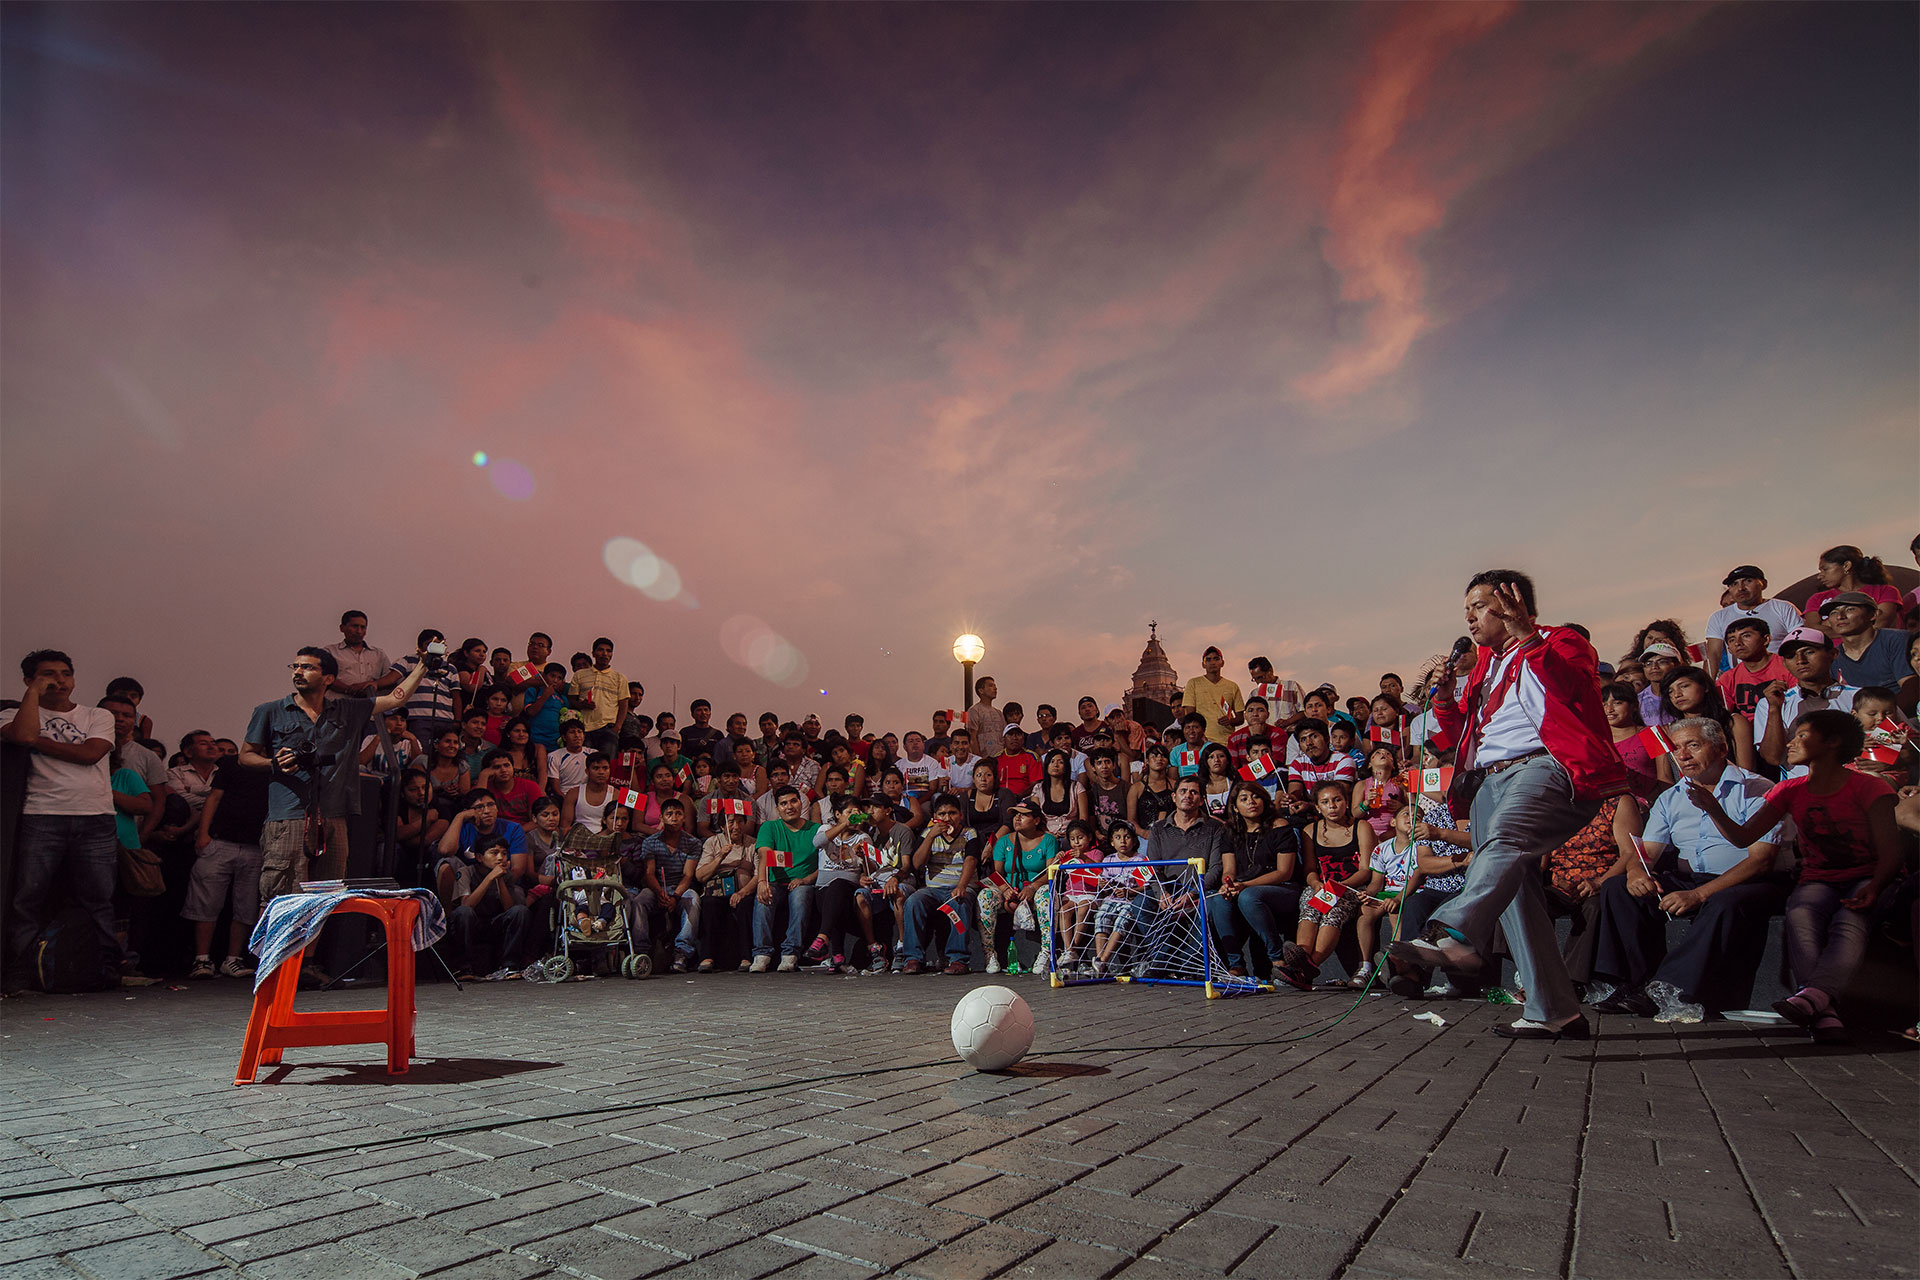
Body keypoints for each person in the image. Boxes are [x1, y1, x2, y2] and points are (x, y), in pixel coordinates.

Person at [1390, 570, 1627, 1041]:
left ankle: (1456, 935)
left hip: (1546, 766)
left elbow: (1574, 692)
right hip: (1490, 780)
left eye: (1478, 607)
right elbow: (1462, 731)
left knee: (1505, 841)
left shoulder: (1563, 642)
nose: (1470, 619)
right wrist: (1443, 696)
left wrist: (1526, 636)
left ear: (1511, 601)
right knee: (1515, 896)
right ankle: (1555, 1011)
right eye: (1466, 611)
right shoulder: (1484, 664)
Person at [1686, 709, 1900, 1045]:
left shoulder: (1870, 788)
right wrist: (1712, 807)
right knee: (1801, 913)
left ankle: (1813, 997)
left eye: (1802, 735)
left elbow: (1891, 852)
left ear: (1832, 743)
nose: (1791, 742)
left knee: (1850, 919)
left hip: (1870, 877)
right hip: (1818, 878)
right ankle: (1823, 1010)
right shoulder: (1790, 789)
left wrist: (1875, 887)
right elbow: (1743, 838)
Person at [1586, 719, 1785, 1022]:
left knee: (1722, 902)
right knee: (1619, 888)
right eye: (1676, 748)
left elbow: (1761, 860)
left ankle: (1670, 988)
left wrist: (1698, 894)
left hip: (1746, 880)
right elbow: (1647, 854)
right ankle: (1630, 984)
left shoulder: (1757, 789)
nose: (1683, 755)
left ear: (1721, 749)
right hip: (1691, 878)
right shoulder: (1671, 797)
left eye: (1693, 745)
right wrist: (1638, 873)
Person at [243, 646, 426, 905]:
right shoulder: (270, 711)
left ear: (328, 678)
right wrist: (273, 762)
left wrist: (423, 666)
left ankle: (311, 948)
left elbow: (396, 698)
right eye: (295, 666)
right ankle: (276, 948)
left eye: (307, 667)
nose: (298, 671)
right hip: (289, 817)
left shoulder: (347, 710)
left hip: (333, 816)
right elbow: (246, 755)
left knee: (324, 903)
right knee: (281, 901)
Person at [4, 652, 120, 995]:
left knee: (99, 897)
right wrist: (33, 697)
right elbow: (23, 733)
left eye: (65, 673)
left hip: (95, 815)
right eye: (48, 674)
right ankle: (21, 971)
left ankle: (105, 967)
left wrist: (34, 740)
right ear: (29, 680)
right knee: (28, 897)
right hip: (41, 813)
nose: (59, 680)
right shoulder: (15, 713)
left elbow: (90, 753)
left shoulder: (97, 715)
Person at [182, 739, 270, 979]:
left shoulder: (277, 767)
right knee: (205, 902)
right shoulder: (232, 763)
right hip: (220, 841)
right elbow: (214, 798)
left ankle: (233, 959)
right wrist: (203, 835)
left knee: (246, 906)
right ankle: (202, 959)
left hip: (256, 845)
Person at [1206, 783, 1304, 981]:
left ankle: (1278, 961)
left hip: (1283, 889)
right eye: (1244, 799)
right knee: (1218, 900)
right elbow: (1229, 870)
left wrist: (1245, 886)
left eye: (1256, 797)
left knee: (1249, 897)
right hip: (1244, 888)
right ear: (1234, 807)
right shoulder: (1230, 832)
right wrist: (1228, 884)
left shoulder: (1279, 826)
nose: (1251, 802)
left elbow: (1284, 872)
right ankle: (1236, 966)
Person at [1755, 628, 1856, 779]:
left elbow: (1893, 741)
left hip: (1853, 783)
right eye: (1791, 656)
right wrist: (1775, 709)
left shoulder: (1859, 696)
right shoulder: (1770, 703)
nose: (1800, 660)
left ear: (1833, 654)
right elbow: (1773, 758)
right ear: (1785, 664)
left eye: (1809, 652)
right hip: (1801, 789)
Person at [901, 794, 978, 975]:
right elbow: (917, 864)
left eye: (952, 813)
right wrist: (931, 837)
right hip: (933, 889)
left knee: (959, 901)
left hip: (959, 885)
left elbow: (971, 859)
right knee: (913, 901)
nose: (947, 818)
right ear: (935, 817)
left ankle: (958, 959)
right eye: (942, 814)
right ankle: (913, 958)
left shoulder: (969, 833)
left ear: (960, 815)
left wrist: (961, 886)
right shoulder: (928, 834)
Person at [440, 836, 532, 981]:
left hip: (494, 923)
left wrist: (499, 879)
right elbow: (467, 904)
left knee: (520, 911)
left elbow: (508, 907)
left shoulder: (506, 875)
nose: (500, 858)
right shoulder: (466, 872)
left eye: (504, 853)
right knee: (463, 912)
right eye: (494, 853)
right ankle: (464, 968)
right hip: (471, 924)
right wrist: (489, 878)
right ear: (480, 857)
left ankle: (510, 965)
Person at [752, 786, 820, 972]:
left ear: (801, 803)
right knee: (763, 898)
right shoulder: (770, 827)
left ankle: (791, 953)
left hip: (803, 882)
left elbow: (824, 865)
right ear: (777, 808)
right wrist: (762, 882)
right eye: (783, 803)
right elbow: (764, 855)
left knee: (800, 896)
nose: (789, 806)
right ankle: (762, 954)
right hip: (775, 882)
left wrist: (806, 879)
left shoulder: (816, 829)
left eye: (793, 801)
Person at [635, 798, 704, 973]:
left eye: (678, 814)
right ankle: (640, 951)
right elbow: (649, 873)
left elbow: (688, 874)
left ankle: (682, 951)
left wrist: (675, 897)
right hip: (656, 887)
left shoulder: (693, 843)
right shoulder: (650, 842)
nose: (674, 818)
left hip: (680, 888)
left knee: (693, 899)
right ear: (662, 818)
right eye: (669, 814)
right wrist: (660, 893)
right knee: (639, 901)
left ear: (684, 818)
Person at [1702, 567, 1803, 672]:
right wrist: (1707, 685)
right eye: (1734, 584)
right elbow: (1713, 655)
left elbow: (1800, 642)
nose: (1741, 588)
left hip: (1783, 673)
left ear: (1763, 584)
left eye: (1748, 581)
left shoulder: (1783, 608)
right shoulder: (1718, 617)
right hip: (1744, 681)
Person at [695, 811, 760, 972]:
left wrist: (742, 892)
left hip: (743, 892)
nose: (736, 827)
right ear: (723, 826)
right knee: (709, 904)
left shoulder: (753, 844)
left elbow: (759, 875)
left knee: (746, 905)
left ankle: (746, 957)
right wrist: (720, 857)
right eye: (731, 822)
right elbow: (700, 876)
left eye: (740, 822)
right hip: (717, 893)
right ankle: (707, 957)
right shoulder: (712, 842)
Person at [1821, 591, 1915, 701]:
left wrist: (1887, 716)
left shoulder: (1896, 640)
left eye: (1850, 609)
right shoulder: (1833, 656)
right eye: (1833, 613)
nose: (1840, 616)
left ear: (1873, 615)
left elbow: (1912, 688)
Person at [1804, 545, 1903, 631]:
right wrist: (1859, 624)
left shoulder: (1885, 591)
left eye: (1825, 569)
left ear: (1846, 566)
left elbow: (1880, 623)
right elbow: (1814, 631)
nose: (1820, 576)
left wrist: (1830, 624)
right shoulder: (1817, 599)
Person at [391, 630, 462, 747]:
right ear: (420, 647)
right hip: (417, 717)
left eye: (439, 644)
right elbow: (391, 679)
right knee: (421, 752)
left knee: (444, 753)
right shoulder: (408, 661)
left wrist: (457, 721)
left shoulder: (450, 668)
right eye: (430, 644)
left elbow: (456, 696)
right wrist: (372, 684)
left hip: (444, 719)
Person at [570, 637, 628, 754]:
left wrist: (617, 727)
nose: (604, 654)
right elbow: (572, 700)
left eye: (608, 651)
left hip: (608, 728)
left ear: (612, 654)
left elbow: (623, 705)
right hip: (584, 729)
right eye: (600, 650)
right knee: (585, 767)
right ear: (593, 653)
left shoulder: (619, 678)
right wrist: (582, 704)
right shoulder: (580, 675)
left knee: (606, 766)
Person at [326, 610, 398, 697]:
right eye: (354, 626)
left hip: (370, 707)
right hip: (338, 706)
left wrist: (373, 685)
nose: (359, 631)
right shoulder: (330, 652)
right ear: (342, 628)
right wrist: (349, 689)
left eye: (363, 627)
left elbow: (389, 679)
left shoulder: (378, 654)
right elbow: (323, 677)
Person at [1182, 647, 1243, 746]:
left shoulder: (1232, 686)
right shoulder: (1193, 683)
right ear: (1203, 664)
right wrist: (1200, 737)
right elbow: (1190, 716)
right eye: (1208, 659)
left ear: (1222, 662)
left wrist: (1230, 721)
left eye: (1216, 659)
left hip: (1228, 741)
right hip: (1203, 741)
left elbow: (1240, 718)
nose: (1212, 662)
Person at [516, 663, 570, 751]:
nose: (555, 680)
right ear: (544, 676)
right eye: (552, 676)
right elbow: (531, 712)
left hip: (555, 743)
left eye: (559, 678)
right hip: (535, 740)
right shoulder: (534, 691)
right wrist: (545, 695)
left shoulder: (563, 699)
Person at [1636, 643, 1682, 727]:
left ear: (1677, 664)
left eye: (1662, 662)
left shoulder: (1685, 694)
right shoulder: (1638, 700)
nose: (1654, 667)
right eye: (1648, 663)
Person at [994, 724, 1042, 797]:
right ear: (1003, 740)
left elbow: (1035, 784)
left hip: (1025, 798)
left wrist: (1018, 796)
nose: (1014, 738)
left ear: (1023, 739)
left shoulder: (1031, 757)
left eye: (1018, 734)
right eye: (1010, 734)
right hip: (1000, 799)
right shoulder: (996, 759)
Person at [965, 676, 1005, 756]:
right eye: (990, 686)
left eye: (995, 686)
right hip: (984, 758)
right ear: (981, 690)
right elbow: (972, 737)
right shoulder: (974, 710)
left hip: (1000, 758)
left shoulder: (999, 713)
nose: (995, 688)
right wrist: (978, 758)